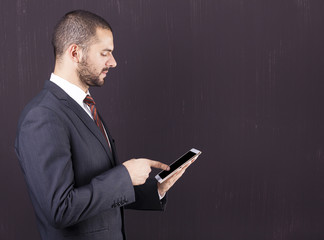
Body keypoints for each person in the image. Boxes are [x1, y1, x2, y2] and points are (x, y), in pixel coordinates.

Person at [14, 10, 194, 240]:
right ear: (75, 52)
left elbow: (95, 189)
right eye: (105, 53)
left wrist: (155, 191)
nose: (114, 62)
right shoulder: (42, 116)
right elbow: (59, 209)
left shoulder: (84, 107)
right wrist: (124, 176)